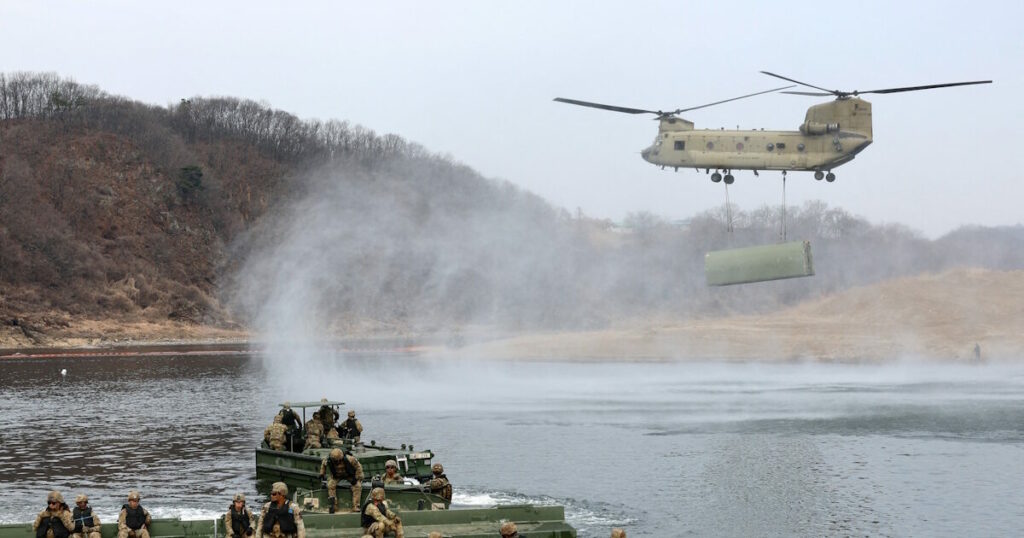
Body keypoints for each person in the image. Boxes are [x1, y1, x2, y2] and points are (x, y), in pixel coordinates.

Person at [319, 447, 364, 513]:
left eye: (338, 460)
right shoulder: (328, 460)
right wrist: (322, 473)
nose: (337, 462)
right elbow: (323, 465)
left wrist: (357, 478)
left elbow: (359, 467)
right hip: (336, 476)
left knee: (357, 486)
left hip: (349, 475)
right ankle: (334, 505)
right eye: (335, 461)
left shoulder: (350, 459)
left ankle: (356, 506)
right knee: (330, 485)